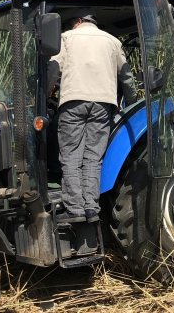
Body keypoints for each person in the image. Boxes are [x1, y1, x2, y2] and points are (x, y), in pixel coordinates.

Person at [52, 13, 136, 224]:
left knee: (71, 155)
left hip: (73, 101)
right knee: (93, 157)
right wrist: (132, 101)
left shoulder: (67, 38)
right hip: (103, 105)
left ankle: (74, 208)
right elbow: (126, 76)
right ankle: (91, 207)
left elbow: (53, 69)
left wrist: (44, 95)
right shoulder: (113, 42)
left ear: (77, 21)